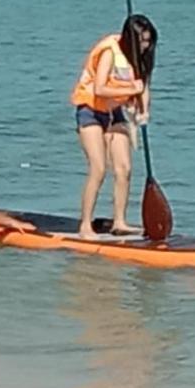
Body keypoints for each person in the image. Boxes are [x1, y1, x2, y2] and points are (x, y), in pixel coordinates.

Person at [69, 14, 157, 239]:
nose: (146, 46)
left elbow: (143, 86)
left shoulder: (141, 58)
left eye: (148, 41)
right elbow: (99, 89)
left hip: (115, 112)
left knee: (124, 168)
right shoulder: (110, 52)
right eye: (142, 41)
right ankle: (85, 226)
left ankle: (120, 221)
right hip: (90, 110)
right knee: (99, 167)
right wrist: (131, 91)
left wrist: (144, 111)